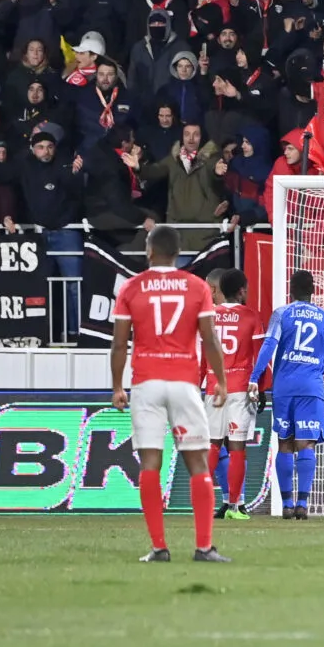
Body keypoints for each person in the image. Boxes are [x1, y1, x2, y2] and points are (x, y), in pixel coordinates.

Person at [109, 223, 230, 563]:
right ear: (178, 253)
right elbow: (209, 339)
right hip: (184, 382)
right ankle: (204, 547)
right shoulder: (195, 286)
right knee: (197, 461)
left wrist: (118, 386)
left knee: (150, 461)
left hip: (146, 382)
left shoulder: (132, 288)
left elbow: (120, 344)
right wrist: (220, 380)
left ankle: (159, 547)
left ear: (149, 251)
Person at [249, 269, 324, 520]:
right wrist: (314, 372)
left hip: (284, 386)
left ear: (290, 290)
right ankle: (302, 503)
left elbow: (269, 346)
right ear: (313, 291)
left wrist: (255, 378)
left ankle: (286, 504)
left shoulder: (282, 313)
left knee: (285, 442)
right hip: (311, 386)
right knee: (306, 442)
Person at [207, 268, 266, 520]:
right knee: (237, 448)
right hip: (240, 388)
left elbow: (202, 355)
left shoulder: (208, 316)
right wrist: (261, 388)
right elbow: (261, 357)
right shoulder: (251, 316)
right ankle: (235, 506)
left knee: (211, 445)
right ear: (241, 290)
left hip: (213, 388)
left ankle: (201, 500)